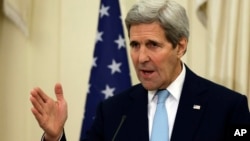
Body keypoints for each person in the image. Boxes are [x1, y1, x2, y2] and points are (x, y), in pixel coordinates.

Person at [30, 0, 250, 141]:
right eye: (135, 45)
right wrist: (55, 137)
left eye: (153, 45)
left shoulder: (227, 107)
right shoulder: (113, 112)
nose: (141, 57)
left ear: (180, 46)